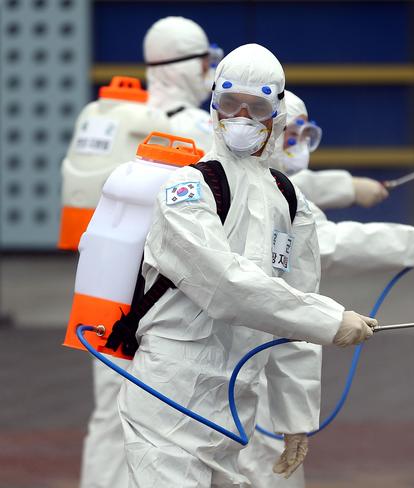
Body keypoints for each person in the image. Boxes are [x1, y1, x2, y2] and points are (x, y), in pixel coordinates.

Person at [117, 43, 377, 488]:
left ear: (275, 113)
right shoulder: (188, 189)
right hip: (170, 391)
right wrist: (330, 320)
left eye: (255, 107)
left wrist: (296, 417)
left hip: (236, 404)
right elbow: (225, 286)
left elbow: (293, 313)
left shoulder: (289, 202)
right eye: (229, 103)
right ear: (213, 104)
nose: (240, 117)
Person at [238, 89, 414, 488]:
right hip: (245, 368)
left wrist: (351, 186)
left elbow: (302, 181)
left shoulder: (250, 181)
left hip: (242, 366)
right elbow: (342, 244)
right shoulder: (269, 202)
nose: (300, 149)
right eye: (291, 136)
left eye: (305, 137)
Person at [79, 18, 221, 488]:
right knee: (157, 422)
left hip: (102, 287)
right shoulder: (195, 130)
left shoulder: (117, 115)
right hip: (158, 299)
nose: (210, 69)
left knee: (107, 414)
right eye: (205, 60)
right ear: (185, 65)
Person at [283, 93, 388, 209]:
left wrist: (351, 186)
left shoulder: (276, 181)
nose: (299, 144)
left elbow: (297, 187)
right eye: (293, 133)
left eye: (304, 135)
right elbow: (319, 226)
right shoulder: (264, 189)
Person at [144, 16, 220, 151]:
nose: (209, 69)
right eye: (205, 63)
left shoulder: (130, 113)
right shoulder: (198, 126)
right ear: (191, 67)